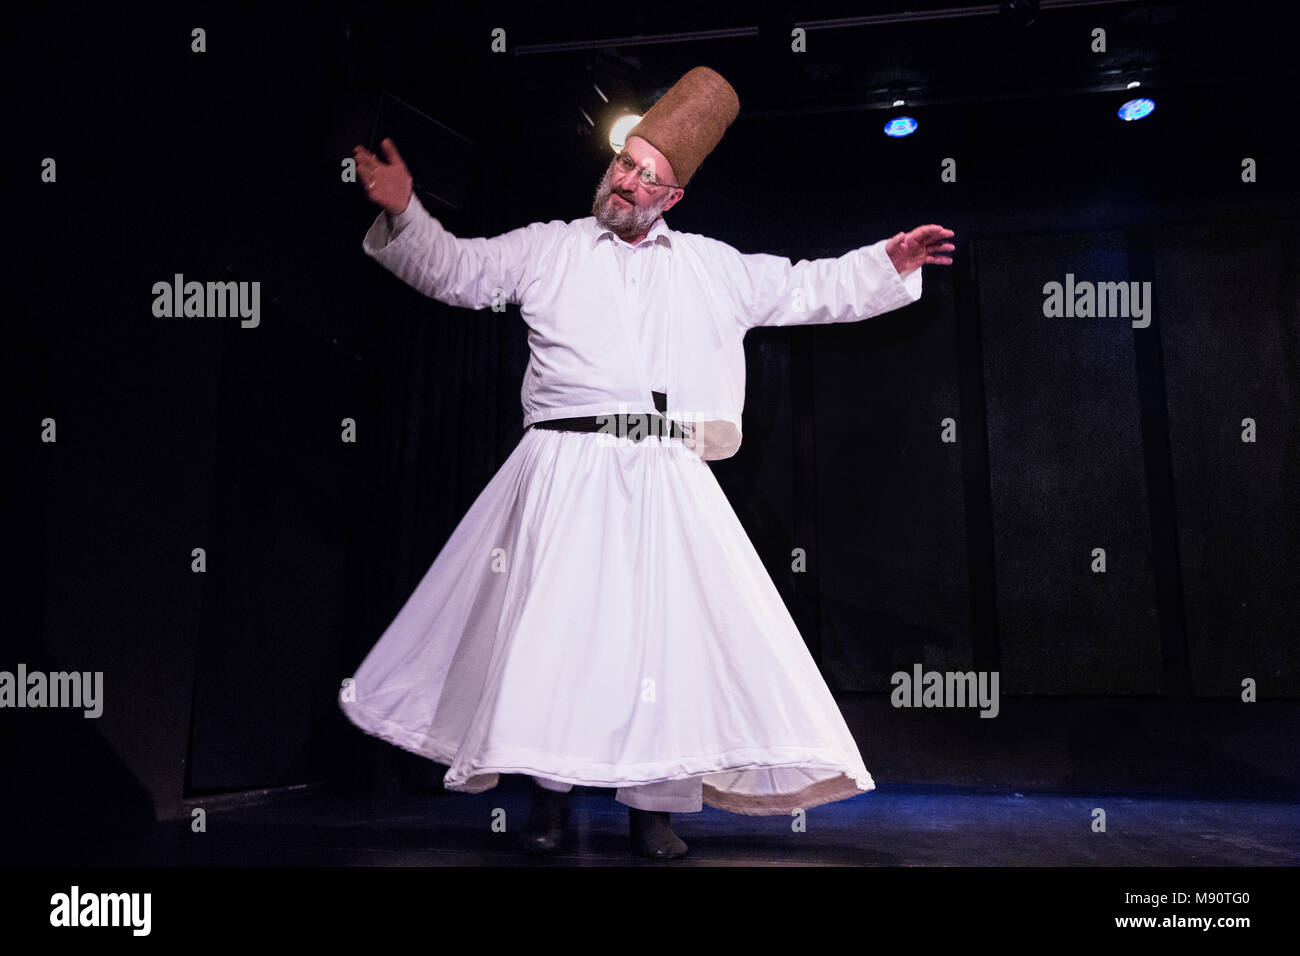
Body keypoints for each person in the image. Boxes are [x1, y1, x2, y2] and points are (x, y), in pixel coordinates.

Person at [343, 66, 954, 860]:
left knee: (662, 645)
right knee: (556, 633)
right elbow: (458, 272)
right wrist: (406, 213)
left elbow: (809, 289)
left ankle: (654, 810)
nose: (626, 179)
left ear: (673, 198)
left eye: (646, 176)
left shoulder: (714, 267)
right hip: (563, 464)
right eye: (623, 163)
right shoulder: (549, 249)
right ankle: (551, 803)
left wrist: (889, 262)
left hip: (663, 471)